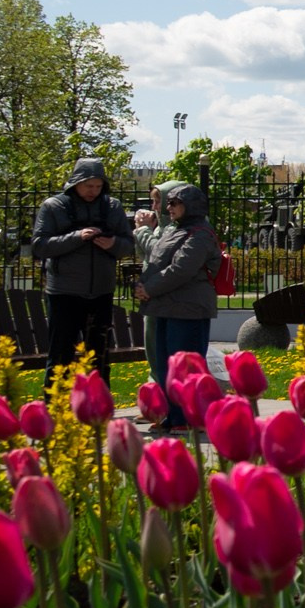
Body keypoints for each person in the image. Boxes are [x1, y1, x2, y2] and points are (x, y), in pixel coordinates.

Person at [31, 158, 136, 381]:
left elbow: (128, 244)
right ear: (76, 183)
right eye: (89, 186)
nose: (93, 191)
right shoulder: (53, 206)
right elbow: (40, 246)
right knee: (60, 356)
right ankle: (56, 408)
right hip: (64, 293)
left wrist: (113, 244)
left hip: (101, 292)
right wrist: (76, 237)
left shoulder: (112, 207)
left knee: (100, 356)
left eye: (98, 186)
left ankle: (99, 407)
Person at [136, 183, 222, 431]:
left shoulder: (201, 233)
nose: (169, 208)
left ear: (191, 206)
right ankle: (173, 416)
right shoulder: (174, 230)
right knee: (165, 365)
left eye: (175, 203)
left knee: (185, 367)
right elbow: (155, 256)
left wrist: (149, 289)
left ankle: (189, 417)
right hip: (164, 306)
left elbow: (180, 269)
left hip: (189, 308)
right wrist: (142, 286)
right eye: (168, 203)